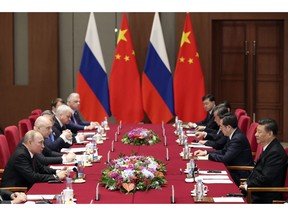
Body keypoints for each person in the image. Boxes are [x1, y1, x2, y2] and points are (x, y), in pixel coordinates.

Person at [194, 112, 254, 186]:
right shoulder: (233, 134)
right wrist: (206, 152)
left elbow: (225, 158)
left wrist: (209, 157)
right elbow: (224, 151)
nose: (220, 129)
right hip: (233, 168)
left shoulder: (237, 139)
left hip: (239, 173)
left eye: (221, 127)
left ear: (228, 127)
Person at [239, 118, 287, 203]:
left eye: (259, 132)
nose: (255, 135)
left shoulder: (275, 153)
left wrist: (247, 185)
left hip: (264, 197)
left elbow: (266, 179)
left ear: (270, 134)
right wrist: (247, 182)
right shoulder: (269, 147)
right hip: (256, 191)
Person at [1, 130, 67, 189]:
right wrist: (55, 177)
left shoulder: (30, 151)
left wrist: (57, 171)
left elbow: (41, 168)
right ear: (30, 142)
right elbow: (32, 177)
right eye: (40, 142)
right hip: (16, 191)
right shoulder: (21, 155)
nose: (43, 146)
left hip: (27, 185)